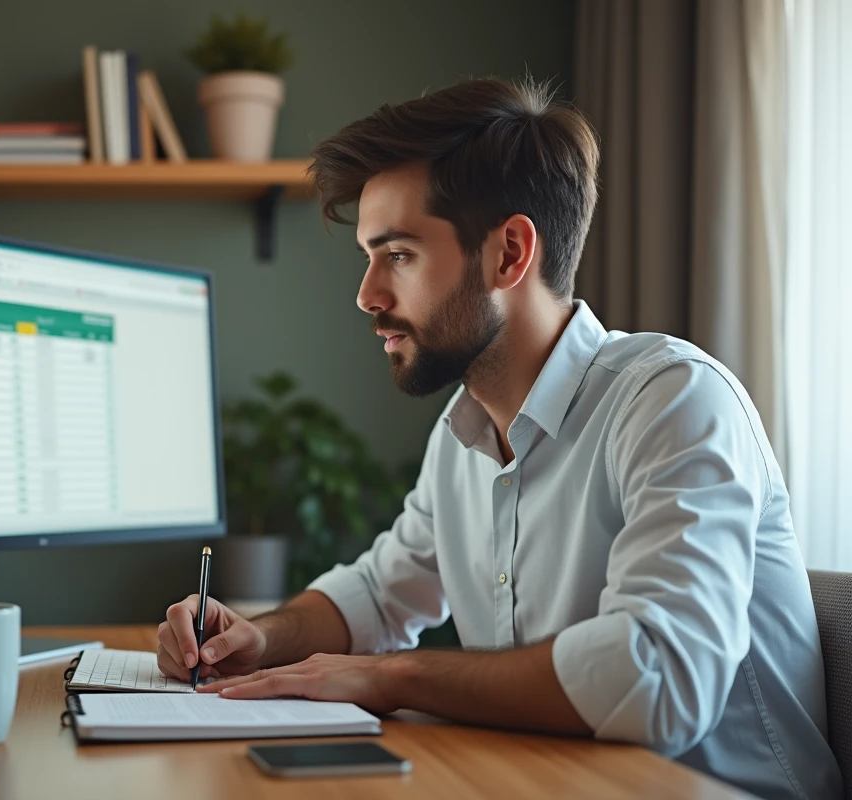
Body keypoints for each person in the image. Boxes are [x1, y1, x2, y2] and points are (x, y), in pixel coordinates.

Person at [156, 77, 842, 798]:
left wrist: (393, 677)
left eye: (399, 254)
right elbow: (379, 596)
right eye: (368, 255)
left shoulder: (674, 401)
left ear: (509, 253)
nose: (367, 295)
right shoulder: (463, 435)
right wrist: (260, 638)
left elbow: (660, 681)